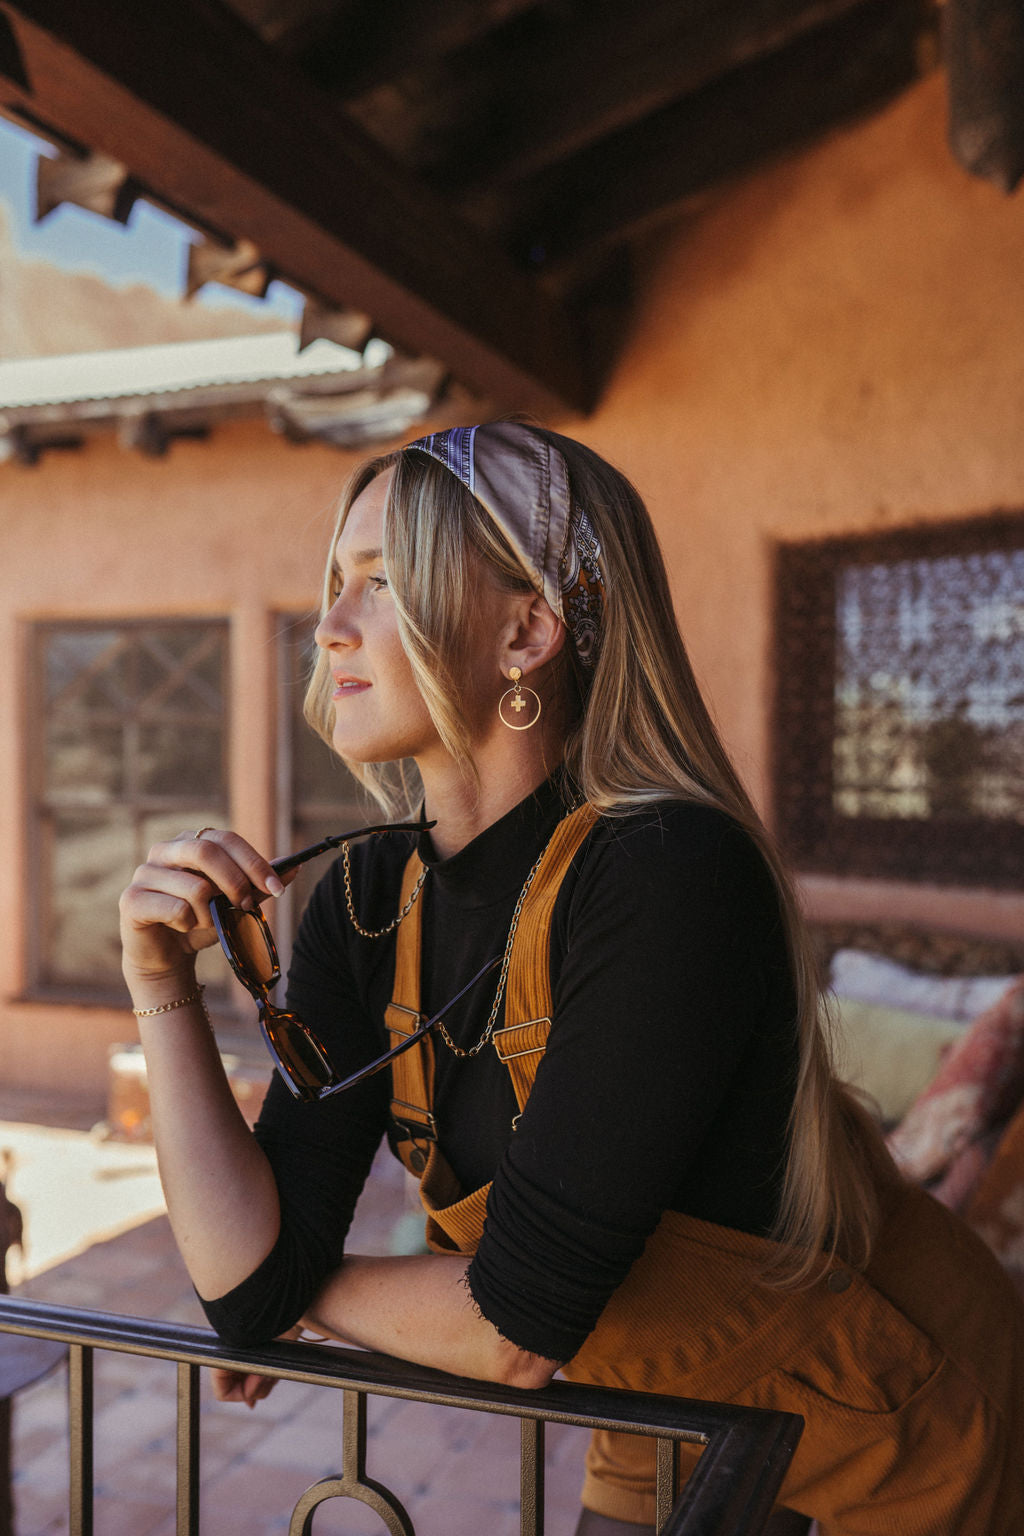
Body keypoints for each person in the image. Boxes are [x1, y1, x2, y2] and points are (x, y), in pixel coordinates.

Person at [119, 422, 1024, 1536]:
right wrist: (157, 983)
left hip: (891, 1420)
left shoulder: (664, 874)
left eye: (381, 583)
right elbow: (242, 1265)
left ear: (527, 631)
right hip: (661, 1418)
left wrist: (283, 1292)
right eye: (333, 584)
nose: (329, 625)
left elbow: (511, 1328)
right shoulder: (363, 903)